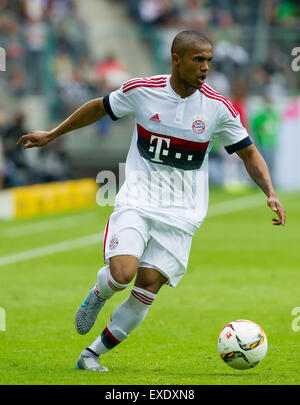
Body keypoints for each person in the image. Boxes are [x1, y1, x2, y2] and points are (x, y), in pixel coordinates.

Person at [17, 30, 286, 372]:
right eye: (198, 60)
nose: (205, 67)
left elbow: (249, 152)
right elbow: (98, 108)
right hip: (139, 200)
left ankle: (91, 354)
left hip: (183, 216)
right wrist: (53, 134)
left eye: (209, 61)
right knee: (122, 274)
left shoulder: (218, 108)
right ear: (177, 59)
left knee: (147, 286)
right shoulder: (142, 91)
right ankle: (99, 294)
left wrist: (271, 193)